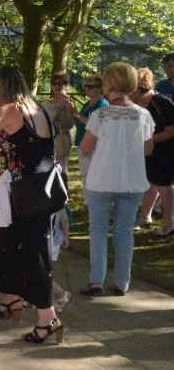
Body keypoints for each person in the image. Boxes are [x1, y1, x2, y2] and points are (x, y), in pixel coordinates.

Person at [0, 68, 65, 344]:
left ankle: (48, 318)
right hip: (39, 190)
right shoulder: (38, 109)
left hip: (26, 194)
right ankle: (13, 298)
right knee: (12, 247)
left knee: (32, 255)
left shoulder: (8, 110)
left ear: (0, 87)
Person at [80, 62, 156, 297]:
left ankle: (96, 281)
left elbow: (86, 147)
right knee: (124, 232)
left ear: (108, 84)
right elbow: (149, 149)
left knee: (98, 230)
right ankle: (122, 282)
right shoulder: (143, 115)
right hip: (131, 181)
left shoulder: (101, 115)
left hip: (102, 180)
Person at [133, 67, 174, 235]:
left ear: (139, 88)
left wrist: (146, 139)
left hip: (166, 152)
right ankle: (145, 217)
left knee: (165, 186)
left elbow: (170, 132)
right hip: (149, 152)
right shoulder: (138, 104)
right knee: (150, 183)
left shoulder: (161, 103)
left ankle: (169, 223)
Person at [73, 74, 108, 182]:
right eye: (86, 86)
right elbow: (79, 123)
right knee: (85, 176)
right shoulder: (88, 103)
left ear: (100, 89)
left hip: (92, 145)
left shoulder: (102, 104)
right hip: (81, 142)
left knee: (91, 177)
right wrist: (72, 112)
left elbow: (96, 125)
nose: (87, 89)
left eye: (91, 87)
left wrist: (77, 114)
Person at [45, 72, 76, 173]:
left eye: (60, 83)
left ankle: (63, 183)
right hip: (49, 138)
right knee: (50, 168)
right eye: (54, 83)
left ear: (65, 84)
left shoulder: (69, 102)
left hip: (62, 137)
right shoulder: (49, 102)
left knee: (61, 168)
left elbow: (71, 124)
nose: (57, 86)